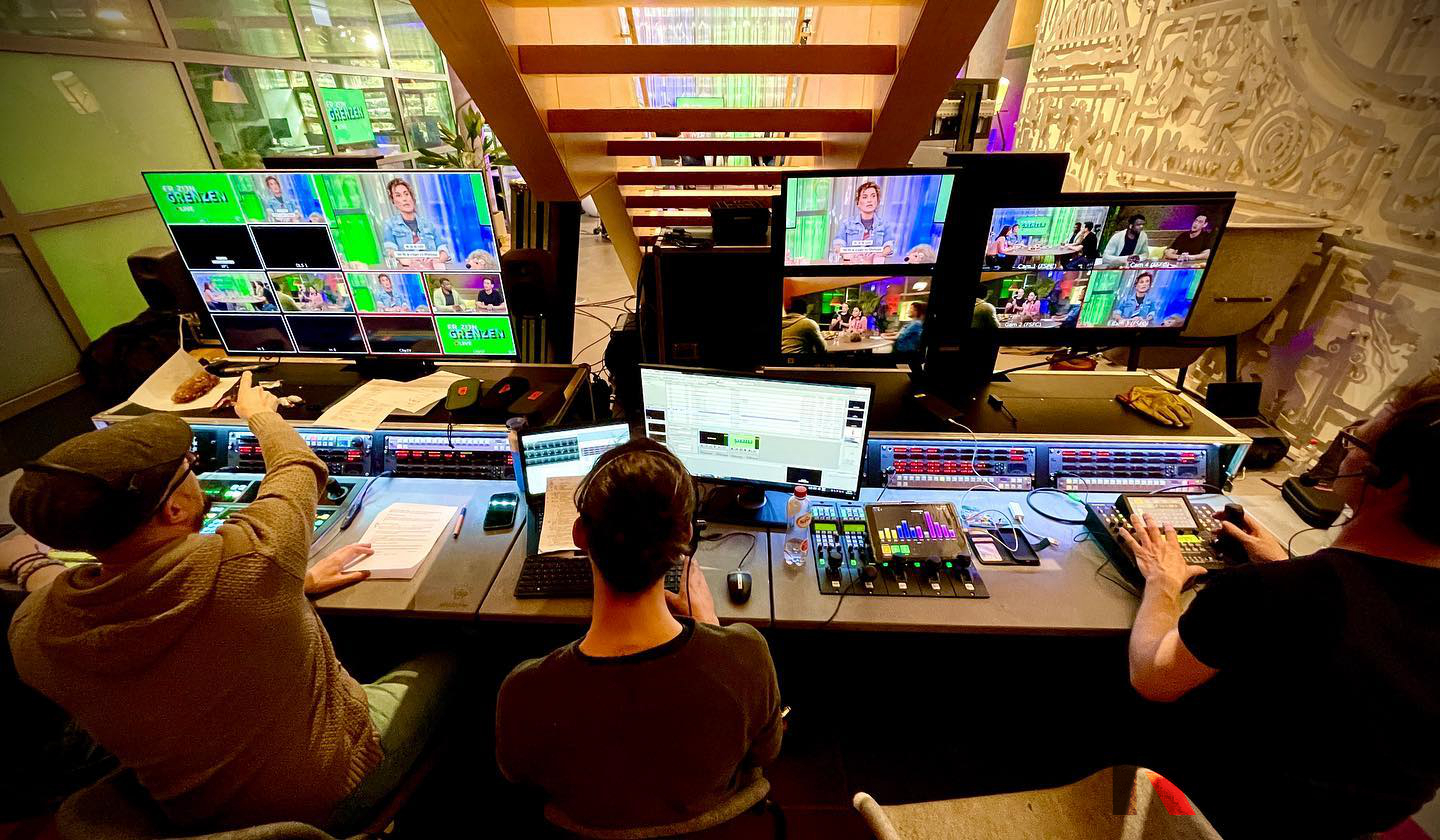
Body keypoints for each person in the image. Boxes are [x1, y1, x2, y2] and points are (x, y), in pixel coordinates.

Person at [5, 373, 455, 832]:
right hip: (341, 784)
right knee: (458, 652)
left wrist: (293, 584)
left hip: (195, 815)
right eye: (189, 468)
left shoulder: (32, 631)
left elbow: (99, 604)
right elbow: (299, 466)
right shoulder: (251, 559)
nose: (194, 473)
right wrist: (260, 414)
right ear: (174, 510)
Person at [1122, 374, 1440, 839]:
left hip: (1221, 812)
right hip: (1353, 826)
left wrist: (1163, 582)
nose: (1346, 453)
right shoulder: (1292, 589)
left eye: (1356, 443)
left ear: (1388, 478)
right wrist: (1287, 568)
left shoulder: (1271, 594)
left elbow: (1153, 677)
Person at [495, 440, 783, 836]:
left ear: (579, 535)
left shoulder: (524, 691)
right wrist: (714, 631)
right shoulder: (747, 656)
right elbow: (767, 752)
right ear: (685, 538)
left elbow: (517, 775)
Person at [380, 178, 447, 269]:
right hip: (410, 271)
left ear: (412, 197)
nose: (404, 199)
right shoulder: (390, 224)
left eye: (406, 194)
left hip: (432, 269)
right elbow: (389, 250)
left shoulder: (428, 224)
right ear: (393, 202)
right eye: (398, 195)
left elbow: (443, 249)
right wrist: (405, 260)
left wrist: (438, 260)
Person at [831, 181, 895, 264]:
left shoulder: (884, 225)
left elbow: (889, 245)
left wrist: (879, 255)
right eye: (865, 197)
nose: (869, 200)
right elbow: (838, 243)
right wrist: (847, 255)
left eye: (873, 196)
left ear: (877, 201)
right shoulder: (847, 224)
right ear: (858, 202)